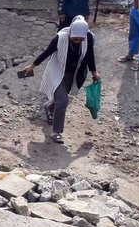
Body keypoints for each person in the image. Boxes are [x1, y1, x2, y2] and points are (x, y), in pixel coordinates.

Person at [20, 15, 100, 144]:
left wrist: (94, 71)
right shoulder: (60, 37)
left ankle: (49, 108)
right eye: (75, 39)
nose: (78, 41)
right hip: (57, 72)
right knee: (63, 101)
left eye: (81, 39)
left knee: (60, 100)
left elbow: (89, 55)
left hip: (73, 74)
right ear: (71, 33)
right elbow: (47, 52)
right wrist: (32, 66)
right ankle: (56, 132)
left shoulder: (89, 37)